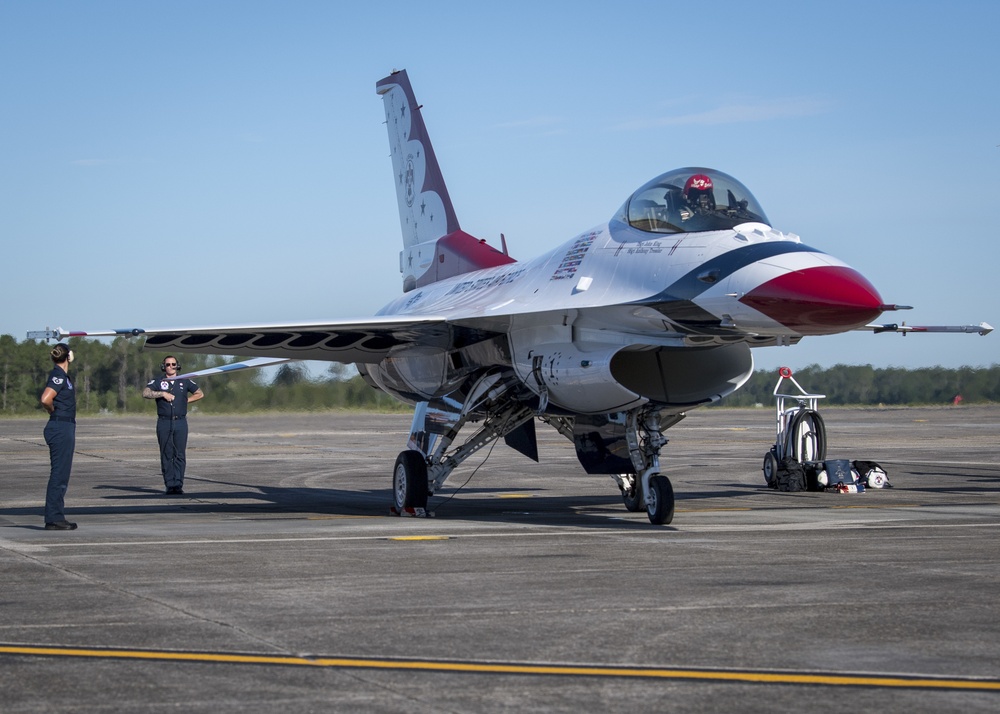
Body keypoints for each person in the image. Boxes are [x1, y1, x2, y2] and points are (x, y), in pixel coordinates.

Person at [142, 356, 204, 494]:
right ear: (163, 366)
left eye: (173, 364)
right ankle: (170, 484)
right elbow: (146, 393)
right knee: (166, 453)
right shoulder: (158, 381)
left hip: (180, 422)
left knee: (179, 454)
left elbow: (199, 393)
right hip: (164, 421)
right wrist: (162, 394)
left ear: (178, 366)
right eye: (168, 364)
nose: (171, 366)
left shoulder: (185, 380)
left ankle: (178, 484)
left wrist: (185, 401)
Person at [39, 343, 78, 530]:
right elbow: (46, 399)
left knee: (61, 474)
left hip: (65, 425)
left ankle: (55, 515)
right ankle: (54, 517)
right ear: (69, 356)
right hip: (60, 425)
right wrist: (52, 410)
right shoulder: (58, 375)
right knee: (59, 475)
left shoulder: (62, 376)